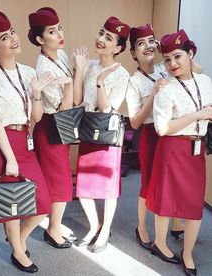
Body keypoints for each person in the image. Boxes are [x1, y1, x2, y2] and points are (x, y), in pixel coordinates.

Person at [0, 11, 55, 273]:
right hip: (0, 144)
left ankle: (18, 240)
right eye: (3, 37)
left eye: (12, 33)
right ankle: (19, 253)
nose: (12, 40)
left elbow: (36, 117)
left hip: (25, 138)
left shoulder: (28, 71)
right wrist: (9, 157)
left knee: (42, 203)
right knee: (12, 202)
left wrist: (36, 95)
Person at [146, 30, 212, 275]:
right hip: (172, 149)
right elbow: (162, 129)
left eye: (178, 56)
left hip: (196, 149)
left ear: (190, 54)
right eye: (167, 59)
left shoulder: (204, 81)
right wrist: (197, 115)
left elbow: (200, 74)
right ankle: (159, 243)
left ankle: (187, 253)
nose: (172, 63)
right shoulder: (166, 88)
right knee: (167, 201)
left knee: (194, 204)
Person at [126, 24, 186, 250]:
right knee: (148, 183)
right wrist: (152, 95)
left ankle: (176, 223)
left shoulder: (166, 66)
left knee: (173, 181)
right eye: (141, 44)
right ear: (133, 53)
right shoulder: (134, 81)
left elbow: (196, 68)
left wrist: (165, 47)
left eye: (151, 40)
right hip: (150, 135)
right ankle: (141, 227)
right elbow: (134, 121)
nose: (148, 46)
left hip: (172, 132)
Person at [73, 16, 130, 253]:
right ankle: (93, 226)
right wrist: (80, 70)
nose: (101, 39)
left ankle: (105, 230)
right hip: (87, 130)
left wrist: (100, 82)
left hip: (107, 134)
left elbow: (106, 109)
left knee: (106, 187)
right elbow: (77, 101)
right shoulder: (91, 65)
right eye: (101, 33)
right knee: (84, 186)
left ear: (117, 48)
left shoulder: (122, 73)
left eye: (108, 37)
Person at [28, 7, 76, 249]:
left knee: (61, 177)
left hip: (60, 126)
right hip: (51, 126)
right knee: (58, 180)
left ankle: (54, 226)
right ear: (39, 39)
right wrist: (69, 86)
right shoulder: (43, 68)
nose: (59, 34)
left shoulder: (62, 55)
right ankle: (52, 229)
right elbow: (65, 107)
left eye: (59, 29)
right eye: (51, 31)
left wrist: (77, 72)